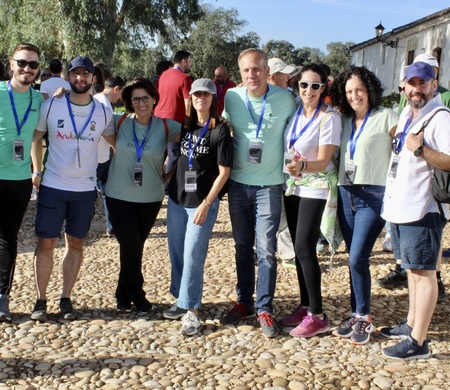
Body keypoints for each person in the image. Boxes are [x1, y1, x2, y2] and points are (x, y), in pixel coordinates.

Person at [30, 56, 115, 321]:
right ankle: (41, 300)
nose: (80, 79)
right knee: (46, 243)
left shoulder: (103, 111)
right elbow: (35, 138)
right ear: (68, 77)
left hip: (85, 189)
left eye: (85, 74)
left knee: (76, 243)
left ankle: (66, 298)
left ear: (94, 79)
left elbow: (116, 142)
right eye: (75, 74)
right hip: (53, 185)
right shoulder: (52, 105)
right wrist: (36, 170)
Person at [220, 48, 296, 338]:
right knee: (242, 247)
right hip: (238, 183)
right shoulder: (232, 97)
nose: (252, 74)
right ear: (240, 73)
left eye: (257, 69)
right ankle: (244, 302)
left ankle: (264, 307)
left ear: (267, 72)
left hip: (269, 185)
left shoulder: (285, 99)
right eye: (246, 70)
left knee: (266, 250)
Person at [380, 61, 450, 360]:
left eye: (423, 83)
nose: (417, 88)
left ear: (435, 85)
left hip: (423, 208)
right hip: (403, 206)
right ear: (404, 86)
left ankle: (419, 341)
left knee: (424, 274)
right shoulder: (411, 113)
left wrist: (420, 149)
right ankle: (410, 325)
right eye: (412, 83)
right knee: (413, 270)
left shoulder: (440, 117)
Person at [330, 66, 398, 345]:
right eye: (349, 91)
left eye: (359, 89)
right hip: (347, 192)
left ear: (369, 89)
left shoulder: (386, 117)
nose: (354, 95)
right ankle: (356, 314)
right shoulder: (343, 120)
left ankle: (365, 318)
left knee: (358, 257)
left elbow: (405, 144)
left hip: (374, 195)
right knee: (352, 258)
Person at [105, 78, 181, 314]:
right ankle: (137, 295)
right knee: (130, 244)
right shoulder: (118, 122)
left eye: (145, 98)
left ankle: (121, 294)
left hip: (151, 197)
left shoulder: (167, 126)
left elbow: (195, 140)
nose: (141, 103)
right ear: (129, 102)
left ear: (154, 99)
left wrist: (170, 174)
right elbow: (92, 112)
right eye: (135, 99)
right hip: (118, 195)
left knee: (134, 247)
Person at [163, 78, 233, 335]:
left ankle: (192, 310)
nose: (200, 98)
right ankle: (181, 300)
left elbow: (224, 172)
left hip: (202, 203)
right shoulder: (184, 127)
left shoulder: (220, 130)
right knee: (178, 253)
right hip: (177, 201)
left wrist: (207, 203)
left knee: (193, 254)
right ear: (190, 99)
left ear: (213, 99)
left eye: (206, 94)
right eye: (196, 94)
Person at [281, 64, 342, 338]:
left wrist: (303, 166)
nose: (308, 90)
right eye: (304, 84)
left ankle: (317, 315)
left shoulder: (329, 118)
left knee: (305, 246)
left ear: (324, 87)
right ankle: (305, 305)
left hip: (315, 186)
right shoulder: (296, 111)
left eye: (315, 86)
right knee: (297, 247)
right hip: (294, 185)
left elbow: (324, 160)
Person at [0, 43, 44, 321]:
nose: (27, 69)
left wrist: (37, 170)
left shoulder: (39, 99)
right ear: (11, 64)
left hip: (19, 180)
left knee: (7, 240)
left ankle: (2, 296)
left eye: (33, 65)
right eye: (22, 63)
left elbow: (35, 138)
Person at [94, 76, 126, 237]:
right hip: (97, 158)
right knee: (99, 194)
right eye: (121, 93)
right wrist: (118, 148)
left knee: (108, 191)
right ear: (116, 89)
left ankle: (111, 225)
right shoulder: (103, 105)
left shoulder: (96, 100)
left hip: (102, 156)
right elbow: (106, 133)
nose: (120, 98)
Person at [154, 50, 193, 179]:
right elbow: (189, 103)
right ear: (184, 61)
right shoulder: (185, 78)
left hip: (158, 119)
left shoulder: (164, 75)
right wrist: (187, 124)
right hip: (174, 122)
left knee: (159, 153)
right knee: (174, 154)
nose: (190, 65)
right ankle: (168, 185)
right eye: (190, 61)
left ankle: (154, 180)